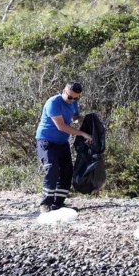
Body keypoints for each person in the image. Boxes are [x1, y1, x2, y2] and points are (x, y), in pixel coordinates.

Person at [35, 81, 93, 213]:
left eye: (76, 98)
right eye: (70, 97)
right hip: (46, 141)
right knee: (52, 168)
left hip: (62, 142)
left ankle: (58, 204)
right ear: (64, 91)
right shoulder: (53, 103)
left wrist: (85, 119)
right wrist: (83, 134)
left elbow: (74, 118)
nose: (72, 100)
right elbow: (61, 126)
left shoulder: (73, 103)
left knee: (67, 171)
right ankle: (46, 204)